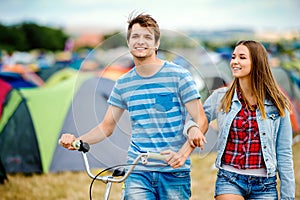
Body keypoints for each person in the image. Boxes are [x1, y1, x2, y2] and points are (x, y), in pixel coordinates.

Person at [59, 13, 208, 199]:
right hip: (137, 172)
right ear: (128, 43)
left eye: (147, 37)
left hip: (174, 173)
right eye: (135, 36)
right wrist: (77, 141)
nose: (141, 41)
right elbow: (106, 127)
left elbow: (201, 120)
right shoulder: (122, 83)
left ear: (156, 44)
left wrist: (184, 153)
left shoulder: (179, 76)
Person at [185, 40, 295, 199]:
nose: (235, 62)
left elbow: (284, 153)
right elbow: (193, 118)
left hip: (265, 184)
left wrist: (288, 196)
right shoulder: (221, 96)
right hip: (230, 179)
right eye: (233, 57)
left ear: (257, 62)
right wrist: (192, 128)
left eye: (242, 57)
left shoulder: (277, 104)